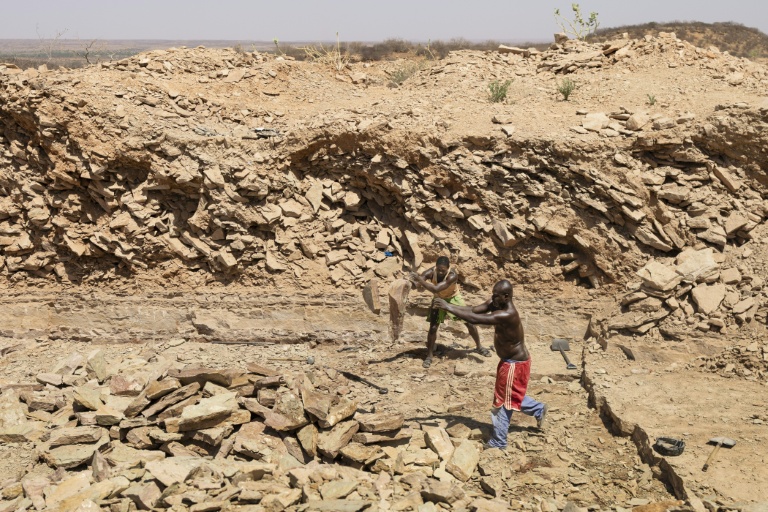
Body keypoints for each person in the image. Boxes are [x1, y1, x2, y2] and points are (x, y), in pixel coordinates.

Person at [432, 279, 548, 448]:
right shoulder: (497, 303)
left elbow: (475, 319)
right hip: (511, 362)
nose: (492, 299)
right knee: (509, 395)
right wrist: (449, 306)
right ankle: (538, 409)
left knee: (503, 401)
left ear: (506, 296)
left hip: (514, 365)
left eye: (496, 296)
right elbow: (473, 310)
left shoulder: (507, 314)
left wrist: (448, 307)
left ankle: (499, 441)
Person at [409, 256, 491, 368]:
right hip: (438, 298)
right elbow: (419, 281)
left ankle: (479, 346)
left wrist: (419, 280)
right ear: (436, 267)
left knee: (469, 322)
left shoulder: (452, 275)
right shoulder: (432, 272)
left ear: (448, 268)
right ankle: (429, 356)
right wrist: (412, 282)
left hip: (453, 299)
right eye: (439, 269)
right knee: (433, 327)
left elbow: (436, 289)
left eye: (443, 270)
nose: (441, 272)